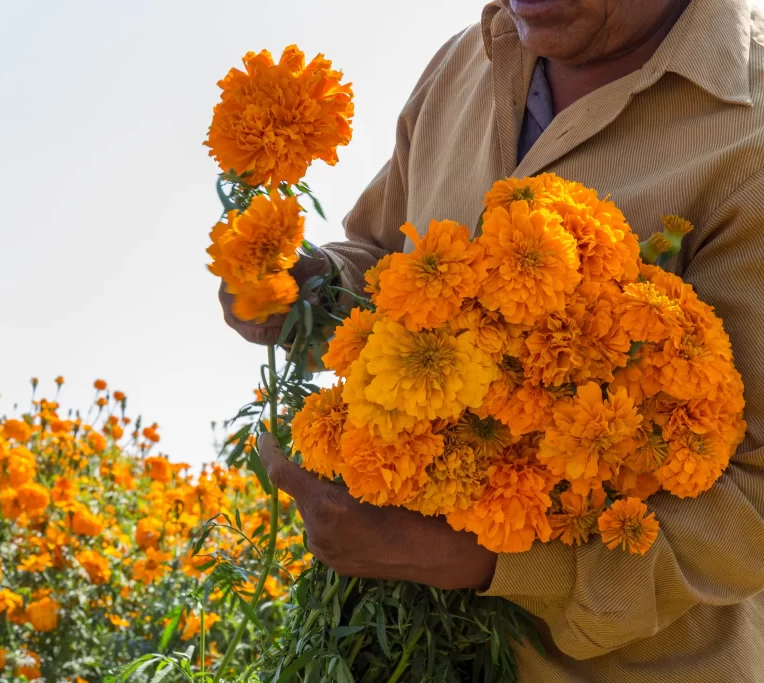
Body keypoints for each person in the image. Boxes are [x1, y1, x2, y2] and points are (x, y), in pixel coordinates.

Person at [220, 0, 764, 680]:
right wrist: (308, 291)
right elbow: (382, 255)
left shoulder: (751, 130)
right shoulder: (465, 66)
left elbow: (752, 501)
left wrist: (482, 559)